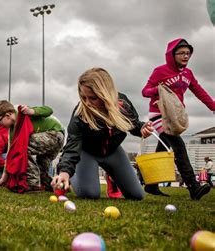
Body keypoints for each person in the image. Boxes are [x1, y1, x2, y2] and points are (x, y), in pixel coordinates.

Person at [52, 68, 153, 200]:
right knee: (90, 194)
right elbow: (72, 145)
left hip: (113, 152)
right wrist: (65, 172)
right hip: (87, 153)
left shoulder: (123, 104)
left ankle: (112, 174)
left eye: (93, 98)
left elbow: (133, 124)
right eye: (83, 97)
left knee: (137, 196)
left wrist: (142, 129)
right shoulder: (80, 114)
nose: (87, 103)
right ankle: (73, 175)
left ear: (106, 94)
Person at [142, 38, 214, 200]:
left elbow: (199, 91)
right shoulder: (160, 71)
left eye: (188, 53)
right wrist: (157, 90)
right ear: (171, 55)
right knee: (178, 146)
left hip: (176, 115)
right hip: (159, 115)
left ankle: (151, 184)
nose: (185, 56)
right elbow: (144, 91)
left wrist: (213, 106)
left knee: (163, 148)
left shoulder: (188, 74)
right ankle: (193, 187)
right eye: (181, 53)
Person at [0, 100, 65, 192]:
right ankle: (56, 185)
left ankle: (33, 184)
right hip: (46, 143)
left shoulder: (23, 113)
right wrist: (4, 178)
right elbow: (10, 154)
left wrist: (31, 111)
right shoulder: (11, 131)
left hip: (55, 134)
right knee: (41, 172)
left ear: (7, 116)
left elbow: (49, 110)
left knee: (21, 146)